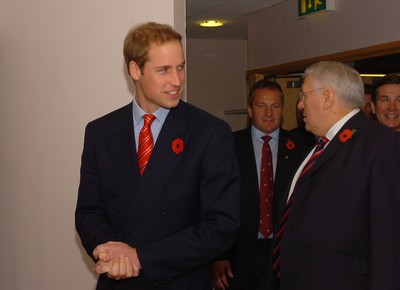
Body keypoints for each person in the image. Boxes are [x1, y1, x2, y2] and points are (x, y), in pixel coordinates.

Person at [75, 22, 241, 290]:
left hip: (179, 282)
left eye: (181, 67)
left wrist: (141, 258)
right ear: (135, 70)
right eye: (163, 70)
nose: (177, 81)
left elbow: (221, 227)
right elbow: (88, 212)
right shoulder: (101, 131)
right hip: (117, 282)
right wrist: (110, 253)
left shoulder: (209, 133)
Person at [272, 61, 400, 289]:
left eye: (304, 96)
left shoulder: (381, 145)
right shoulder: (319, 146)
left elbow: (388, 241)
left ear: (328, 97)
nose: (300, 105)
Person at [211, 80, 310, 290]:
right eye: (261, 105)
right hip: (239, 256)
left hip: (284, 254)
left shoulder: (301, 147)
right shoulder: (228, 145)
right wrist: (218, 255)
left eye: (275, 106)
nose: (268, 113)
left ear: (282, 110)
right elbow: (215, 200)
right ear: (249, 109)